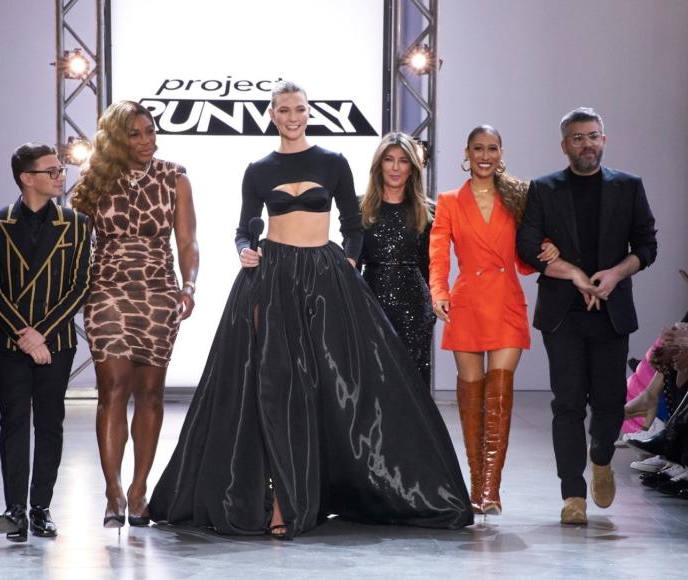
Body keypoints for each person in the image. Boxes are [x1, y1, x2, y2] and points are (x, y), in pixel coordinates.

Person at [149, 81, 472, 539]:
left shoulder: (333, 162)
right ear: (273, 115)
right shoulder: (258, 169)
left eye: (300, 108)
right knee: (273, 389)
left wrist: (349, 259)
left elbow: (353, 223)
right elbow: (244, 227)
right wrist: (245, 249)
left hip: (325, 277)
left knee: (338, 387)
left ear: (308, 112)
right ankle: (283, 502)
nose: (293, 116)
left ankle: (331, 491)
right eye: (284, 110)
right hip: (273, 275)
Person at [516, 107, 657, 525]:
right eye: (577, 138)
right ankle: (572, 494)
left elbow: (647, 246)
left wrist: (614, 274)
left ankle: (600, 458)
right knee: (568, 404)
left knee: (610, 402)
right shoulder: (543, 189)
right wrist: (575, 274)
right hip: (563, 313)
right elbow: (526, 248)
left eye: (593, 136)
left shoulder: (628, 186)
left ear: (604, 140)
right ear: (565, 146)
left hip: (611, 310)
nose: (586, 144)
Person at [71, 101, 198, 528]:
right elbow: (73, 247)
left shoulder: (174, 177)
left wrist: (189, 285)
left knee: (150, 393)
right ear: (115, 138)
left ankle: (140, 491)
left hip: (159, 293)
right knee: (112, 388)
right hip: (106, 290)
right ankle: (112, 492)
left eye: (151, 131)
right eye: (136, 133)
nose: (147, 140)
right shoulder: (94, 182)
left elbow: (187, 242)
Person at [430, 125, 558, 515]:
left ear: (502, 153)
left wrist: (544, 250)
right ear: (466, 153)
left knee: (498, 397)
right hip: (467, 301)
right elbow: (438, 254)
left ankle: (491, 490)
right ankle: (475, 486)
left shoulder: (518, 197)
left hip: (505, 301)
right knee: (471, 401)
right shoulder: (449, 200)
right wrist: (439, 292)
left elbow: (521, 260)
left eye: (492, 148)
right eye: (478, 148)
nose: (485, 155)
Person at [0, 142, 91, 542]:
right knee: (13, 423)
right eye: (52, 171)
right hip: (9, 343)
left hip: (55, 340)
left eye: (60, 169)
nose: (61, 176)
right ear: (28, 178)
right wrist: (24, 335)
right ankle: (14, 509)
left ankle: (40, 507)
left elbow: (80, 286)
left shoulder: (77, 223)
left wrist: (40, 332)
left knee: (49, 423)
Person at [358, 132, 434, 387]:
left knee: (412, 379)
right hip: (371, 300)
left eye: (403, 161)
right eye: (389, 159)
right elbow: (353, 263)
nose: (395, 167)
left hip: (414, 304)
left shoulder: (428, 210)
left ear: (412, 168)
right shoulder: (361, 208)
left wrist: (431, 306)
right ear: (379, 164)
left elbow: (429, 265)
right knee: (375, 379)